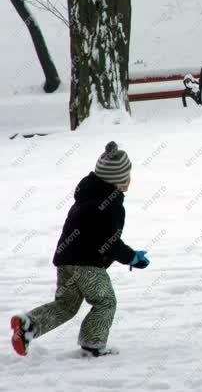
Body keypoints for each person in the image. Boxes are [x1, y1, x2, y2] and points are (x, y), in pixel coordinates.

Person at [10, 142, 150, 357]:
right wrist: (132, 258)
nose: (130, 179)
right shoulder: (110, 204)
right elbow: (110, 242)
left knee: (66, 305)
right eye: (127, 175)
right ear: (118, 180)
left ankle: (29, 325)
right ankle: (93, 344)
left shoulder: (88, 195)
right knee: (105, 302)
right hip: (88, 265)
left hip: (66, 260)